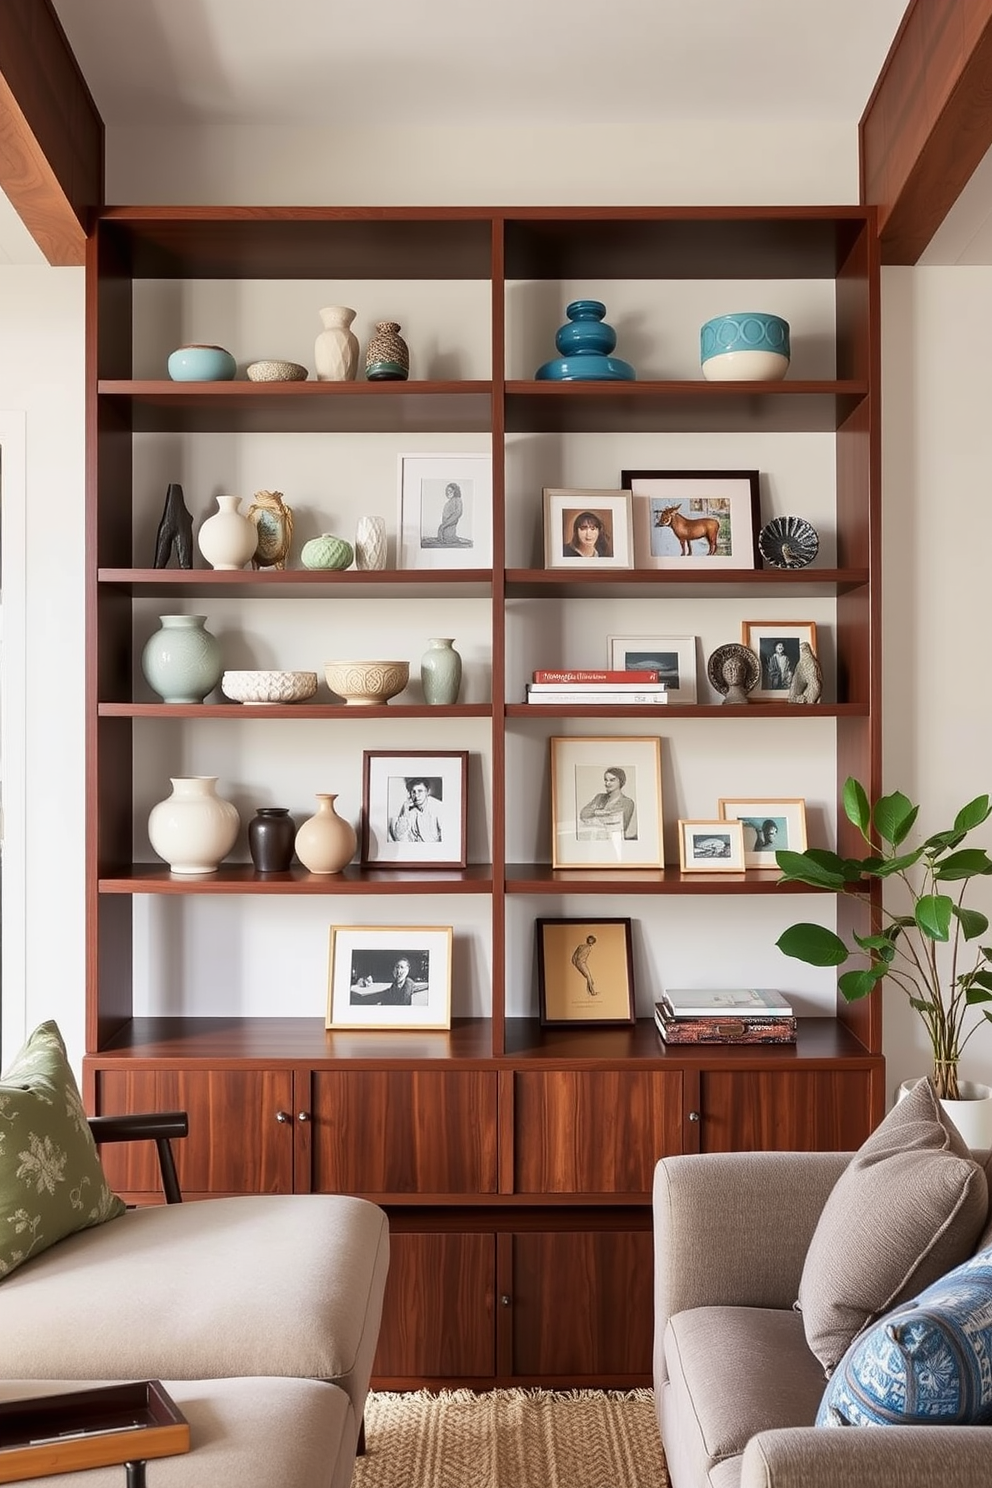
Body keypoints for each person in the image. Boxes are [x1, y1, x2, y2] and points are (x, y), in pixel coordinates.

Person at [579, 767, 637, 839]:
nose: (607, 783)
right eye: (606, 780)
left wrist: (594, 817)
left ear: (621, 781)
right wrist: (601, 814)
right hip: (595, 839)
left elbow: (620, 826)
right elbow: (583, 814)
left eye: (612, 780)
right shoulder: (599, 797)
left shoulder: (627, 802)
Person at [351, 956, 429, 1006]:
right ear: (393, 970)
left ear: (408, 970)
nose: (399, 971)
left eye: (402, 967)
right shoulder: (392, 987)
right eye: (397, 967)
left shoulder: (409, 983)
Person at [389, 777, 444, 842]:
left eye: (420, 791)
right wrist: (404, 813)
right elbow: (400, 838)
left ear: (428, 792)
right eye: (413, 792)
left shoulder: (438, 807)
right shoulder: (409, 809)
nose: (416, 795)